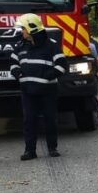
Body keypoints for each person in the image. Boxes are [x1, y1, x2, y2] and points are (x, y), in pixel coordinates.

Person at [10, 13, 67, 160]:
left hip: (48, 90)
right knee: (29, 120)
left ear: (31, 28)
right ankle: (30, 151)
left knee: (50, 119)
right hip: (27, 91)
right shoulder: (20, 46)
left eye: (23, 28)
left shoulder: (51, 46)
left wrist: (47, 76)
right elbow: (13, 63)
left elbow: (62, 66)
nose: (21, 31)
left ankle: (52, 148)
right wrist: (18, 73)